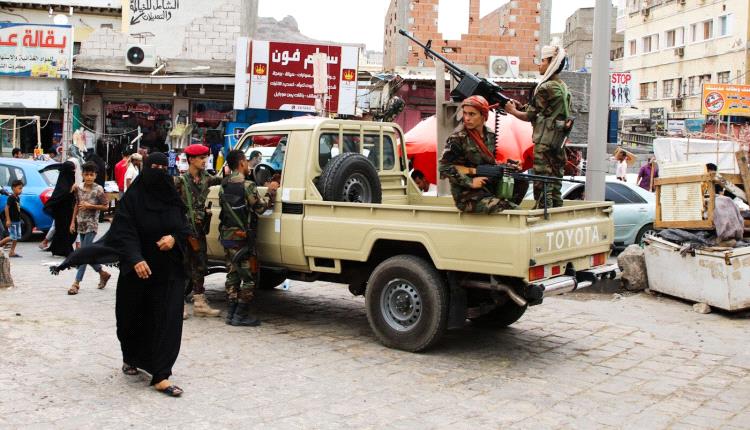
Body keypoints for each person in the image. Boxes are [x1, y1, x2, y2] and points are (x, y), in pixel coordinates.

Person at [50, 152, 190, 397]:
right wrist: (135, 258)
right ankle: (131, 356)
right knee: (131, 318)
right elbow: (124, 231)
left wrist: (174, 238)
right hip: (137, 271)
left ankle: (161, 374)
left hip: (168, 270)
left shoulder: (171, 197)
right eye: (152, 167)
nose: (157, 171)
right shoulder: (132, 199)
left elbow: (183, 226)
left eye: (161, 167)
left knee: (167, 319)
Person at [505, 45, 573, 209]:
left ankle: (543, 215)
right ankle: (556, 212)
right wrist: (521, 108)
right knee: (555, 184)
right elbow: (543, 113)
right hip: (558, 144)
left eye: (542, 60)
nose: (539, 64)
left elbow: (529, 116)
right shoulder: (562, 87)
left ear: (552, 63)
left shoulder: (545, 87)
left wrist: (512, 111)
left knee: (542, 184)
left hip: (544, 144)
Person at [220, 149, 277, 326]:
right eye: (246, 161)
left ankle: (230, 313)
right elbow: (260, 208)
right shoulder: (247, 186)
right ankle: (241, 315)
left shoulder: (225, 183)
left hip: (227, 236)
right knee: (250, 277)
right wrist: (271, 191)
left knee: (233, 275)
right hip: (242, 238)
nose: (249, 165)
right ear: (242, 163)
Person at [438, 95, 515, 213]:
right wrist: (470, 182)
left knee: (520, 183)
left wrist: (507, 166)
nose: (467, 118)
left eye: (472, 114)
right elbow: (444, 168)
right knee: (511, 209)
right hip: (468, 196)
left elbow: (489, 163)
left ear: (483, 116)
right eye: (465, 113)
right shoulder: (458, 138)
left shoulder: (490, 135)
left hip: (487, 188)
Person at [175, 144, 223, 319]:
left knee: (200, 265)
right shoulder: (180, 182)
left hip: (199, 230)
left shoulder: (207, 179)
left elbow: (223, 180)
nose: (205, 161)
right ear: (191, 160)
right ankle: (176, 304)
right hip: (183, 231)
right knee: (181, 267)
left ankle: (200, 302)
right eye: (201, 158)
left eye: (206, 157)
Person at [67, 162, 111, 295]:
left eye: (92, 175)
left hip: (92, 224)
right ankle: (102, 273)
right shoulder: (79, 188)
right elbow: (77, 204)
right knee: (87, 254)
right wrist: (72, 222)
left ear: (95, 175)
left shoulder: (98, 189)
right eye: (86, 175)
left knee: (83, 253)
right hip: (81, 223)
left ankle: (76, 283)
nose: (89, 177)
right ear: (82, 175)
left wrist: (91, 206)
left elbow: (105, 206)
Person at [44, 161, 77, 257]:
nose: (73, 171)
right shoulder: (63, 183)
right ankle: (66, 250)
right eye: (72, 169)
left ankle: (57, 249)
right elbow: (61, 195)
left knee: (64, 231)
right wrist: (70, 191)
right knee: (64, 231)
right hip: (62, 212)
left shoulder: (69, 181)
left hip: (68, 211)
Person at [1, 180, 24, 257]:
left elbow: (18, 209)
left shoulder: (17, 198)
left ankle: (12, 251)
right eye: (19, 188)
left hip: (17, 220)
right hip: (12, 221)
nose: (21, 190)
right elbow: (6, 208)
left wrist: (20, 218)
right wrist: (8, 220)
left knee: (16, 237)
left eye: (21, 188)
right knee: (12, 236)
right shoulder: (11, 197)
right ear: (14, 188)